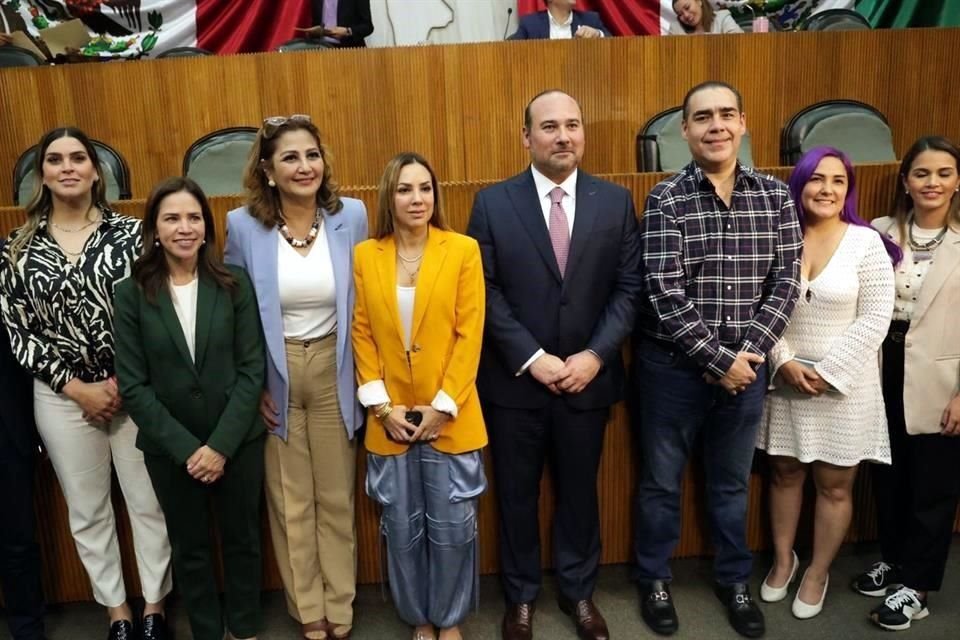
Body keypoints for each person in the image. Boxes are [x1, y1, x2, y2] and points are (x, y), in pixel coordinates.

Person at [466, 89, 642, 640]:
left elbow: (629, 289)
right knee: (516, 497)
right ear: (526, 138)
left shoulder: (615, 202)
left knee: (580, 493)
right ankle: (520, 598)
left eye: (572, 124)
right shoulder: (493, 203)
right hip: (516, 383)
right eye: (549, 126)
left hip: (587, 381)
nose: (563, 135)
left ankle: (579, 592)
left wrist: (594, 356)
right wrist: (532, 357)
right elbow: (484, 292)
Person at [632, 81, 802, 638]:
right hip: (671, 371)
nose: (716, 125)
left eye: (727, 114)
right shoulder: (665, 198)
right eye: (702, 117)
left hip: (746, 372)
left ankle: (734, 581)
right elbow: (662, 288)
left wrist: (744, 357)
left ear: (743, 122)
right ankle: (653, 579)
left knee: (730, 484)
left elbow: (784, 284)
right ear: (685, 131)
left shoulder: (775, 198)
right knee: (661, 482)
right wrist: (717, 359)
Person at [0, 127, 172, 640]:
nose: (68, 166)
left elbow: (156, 309)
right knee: (88, 508)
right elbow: (19, 332)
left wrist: (123, 380)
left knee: (148, 501)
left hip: (135, 391)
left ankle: (154, 610)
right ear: (42, 174)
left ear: (98, 171)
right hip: (62, 398)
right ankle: (118, 613)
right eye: (55, 159)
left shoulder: (134, 236)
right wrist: (77, 388)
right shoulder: (16, 248)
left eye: (79, 158)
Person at [225, 114, 366, 640]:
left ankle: (341, 607)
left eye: (312, 154)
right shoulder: (242, 226)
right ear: (266, 170)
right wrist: (254, 381)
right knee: (289, 501)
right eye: (289, 157)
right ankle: (309, 608)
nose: (304, 166)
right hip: (276, 371)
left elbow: (363, 304)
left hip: (334, 368)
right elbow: (238, 311)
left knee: (336, 497)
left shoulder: (352, 215)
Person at [114, 177, 267, 640]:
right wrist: (188, 450)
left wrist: (219, 446)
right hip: (170, 447)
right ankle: (205, 629)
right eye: (172, 218)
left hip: (237, 440)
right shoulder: (130, 293)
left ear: (207, 227)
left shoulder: (234, 285)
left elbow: (251, 370)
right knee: (191, 547)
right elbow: (134, 385)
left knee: (243, 541)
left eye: (194, 217)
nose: (185, 227)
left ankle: (243, 628)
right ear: (154, 230)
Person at [755, 146, 898, 619]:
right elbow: (761, 308)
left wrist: (827, 369)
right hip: (786, 379)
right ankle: (783, 560)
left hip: (845, 388)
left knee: (835, 486)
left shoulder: (865, 242)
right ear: (800, 185)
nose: (827, 189)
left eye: (838, 180)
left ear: (848, 189)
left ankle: (817, 571)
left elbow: (877, 317)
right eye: (817, 179)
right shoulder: (780, 237)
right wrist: (785, 361)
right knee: (784, 474)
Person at [353, 151, 487, 640]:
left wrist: (443, 405)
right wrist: (382, 407)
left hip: (450, 416)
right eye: (405, 189)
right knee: (403, 530)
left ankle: (449, 620)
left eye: (425, 188)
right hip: (390, 420)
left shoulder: (463, 250)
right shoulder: (368, 255)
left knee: (452, 529)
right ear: (389, 195)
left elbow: (470, 335)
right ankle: (420, 620)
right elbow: (361, 334)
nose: (417, 198)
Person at [851, 136, 960, 632]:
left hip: (943, 376)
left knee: (933, 484)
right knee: (888, 474)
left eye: (943, 173)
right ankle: (894, 560)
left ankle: (916, 586)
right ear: (905, 180)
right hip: (881, 366)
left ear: (958, 181)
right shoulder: (878, 231)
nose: (932, 182)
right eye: (922, 173)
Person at [0, 259, 47, 640]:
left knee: (17, 536)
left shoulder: (5, 258)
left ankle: (27, 628)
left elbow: (25, 340)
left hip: (6, 422)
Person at [511, 0, 609, 40]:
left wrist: (598, 34)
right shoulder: (531, 24)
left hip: (581, 80)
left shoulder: (590, 19)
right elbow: (509, 48)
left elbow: (614, 45)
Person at [297, 0, 374, 47]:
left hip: (351, 52)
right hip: (323, 50)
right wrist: (313, 32)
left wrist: (348, 31)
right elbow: (315, 22)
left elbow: (368, 26)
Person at [670, 0, 743, 34]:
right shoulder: (676, 29)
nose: (686, 15)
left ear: (699, 2)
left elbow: (740, 43)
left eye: (687, 7)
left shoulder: (722, 18)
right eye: (680, 14)